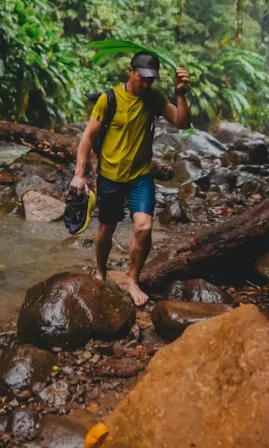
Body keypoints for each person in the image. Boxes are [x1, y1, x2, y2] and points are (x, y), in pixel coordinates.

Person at [69, 51, 190, 306]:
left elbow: (181, 122)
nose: (146, 83)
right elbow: (87, 137)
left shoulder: (154, 98)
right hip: (110, 176)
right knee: (106, 229)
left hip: (140, 176)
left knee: (144, 227)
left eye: (151, 79)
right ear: (131, 71)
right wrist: (79, 175)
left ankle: (132, 280)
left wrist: (180, 93)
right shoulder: (109, 99)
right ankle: (101, 272)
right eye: (143, 77)